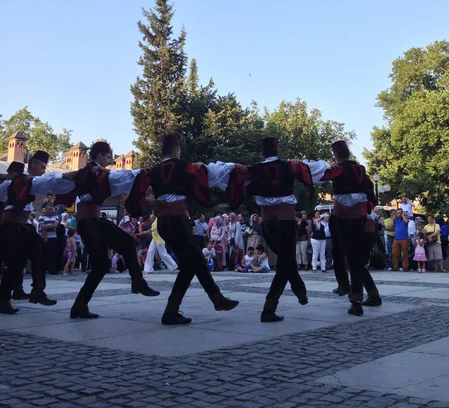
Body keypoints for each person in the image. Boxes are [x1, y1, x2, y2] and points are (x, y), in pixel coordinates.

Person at [125, 135, 238, 325]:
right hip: (177, 219)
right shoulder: (187, 166)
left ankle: (179, 308)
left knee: (190, 264)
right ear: (177, 150)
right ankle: (215, 299)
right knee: (194, 260)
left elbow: (129, 181)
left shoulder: (152, 171)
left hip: (163, 222)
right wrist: (233, 167)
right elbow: (211, 173)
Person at [226, 136, 329, 322]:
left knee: (285, 261)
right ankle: (274, 305)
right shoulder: (289, 166)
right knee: (286, 262)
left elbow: (231, 176)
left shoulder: (254, 169)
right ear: (278, 151)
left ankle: (291, 297)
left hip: (267, 221)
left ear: (262, 153)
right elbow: (317, 169)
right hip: (286, 219)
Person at [58, 142, 160, 319]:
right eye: (107, 156)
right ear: (99, 156)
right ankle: (135, 282)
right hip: (91, 222)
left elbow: (70, 178)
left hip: (93, 221)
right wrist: (144, 172)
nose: (109, 160)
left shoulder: (87, 172)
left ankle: (136, 282)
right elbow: (119, 176)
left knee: (116, 252)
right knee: (102, 264)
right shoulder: (94, 172)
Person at [0, 152, 77, 314]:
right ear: (33, 165)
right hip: (11, 226)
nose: (44, 170)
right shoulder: (18, 182)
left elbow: (46, 182)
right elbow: (48, 182)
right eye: (42, 167)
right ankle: (4, 299)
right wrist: (66, 177)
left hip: (24, 226)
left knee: (38, 255)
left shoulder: (29, 182)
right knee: (14, 263)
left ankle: (37, 291)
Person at [320, 140, 377, 316]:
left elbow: (321, 175)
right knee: (356, 261)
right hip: (359, 219)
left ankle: (346, 288)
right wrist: (364, 209)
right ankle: (371, 295)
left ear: (336, 155)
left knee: (339, 255)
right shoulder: (360, 169)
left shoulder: (338, 170)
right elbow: (370, 194)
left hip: (343, 218)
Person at [38, 203, 61, 274]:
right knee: (44, 253)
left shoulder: (56, 217)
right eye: (49, 209)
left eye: (51, 209)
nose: (50, 210)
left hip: (53, 237)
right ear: (46, 210)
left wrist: (46, 227)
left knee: (52, 254)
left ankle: (52, 269)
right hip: (44, 237)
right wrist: (52, 226)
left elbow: (55, 226)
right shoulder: (41, 217)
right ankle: (44, 269)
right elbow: (42, 228)